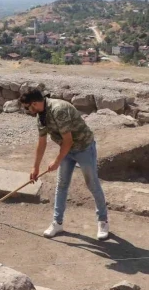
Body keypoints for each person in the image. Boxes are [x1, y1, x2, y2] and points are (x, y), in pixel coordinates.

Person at [19, 89, 110, 240]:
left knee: (92, 183)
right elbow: (42, 143)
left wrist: (56, 161)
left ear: (34, 103)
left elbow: (69, 141)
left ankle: (103, 220)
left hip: (84, 148)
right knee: (61, 185)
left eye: (27, 107)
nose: (27, 110)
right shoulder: (41, 116)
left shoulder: (58, 109)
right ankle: (57, 222)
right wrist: (35, 167)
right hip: (67, 150)